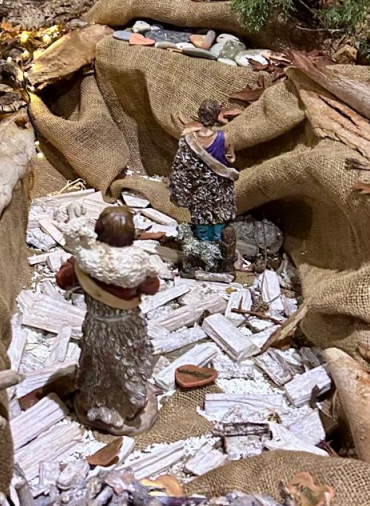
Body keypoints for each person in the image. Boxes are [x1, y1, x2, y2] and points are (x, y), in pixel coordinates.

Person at [55, 206, 160, 434]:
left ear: (99, 232)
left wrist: (75, 259)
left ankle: (100, 402)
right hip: (128, 325)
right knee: (127, 364)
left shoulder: (86, 259)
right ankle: (128, 404)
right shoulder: (137, 263)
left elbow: (63, 281)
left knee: (99, 365)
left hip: (98, 325)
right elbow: (152, 287)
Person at [169, 99, 239, 243]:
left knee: (201, 215)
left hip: (198, 188)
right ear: (216, 116)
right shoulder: (224, 137)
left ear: (200, 115)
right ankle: (218, 242)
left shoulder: (188, 139)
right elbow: (231, 159)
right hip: (219, 186)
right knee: (219, 213)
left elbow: (181, 165)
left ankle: (204, 243)